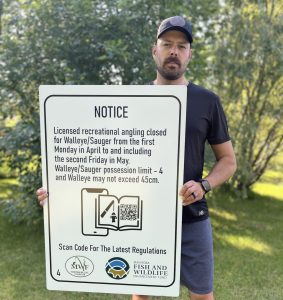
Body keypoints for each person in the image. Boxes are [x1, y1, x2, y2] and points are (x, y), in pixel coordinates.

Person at [37, 16, 237, 300]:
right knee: (141, 295)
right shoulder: (131, 100)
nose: (173, 51)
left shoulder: (207, 101)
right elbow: (101, 161)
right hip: (141, 217)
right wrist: (59, 193)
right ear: (154, 50)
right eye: (167, 44)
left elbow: (228, 160)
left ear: (190, 54)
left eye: (181, 46)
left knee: (202, 295)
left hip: (191, 217)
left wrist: (203, 185)